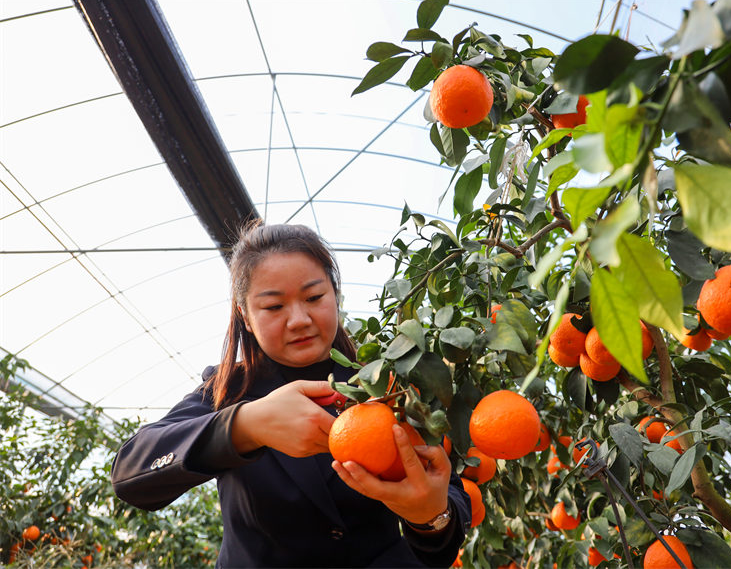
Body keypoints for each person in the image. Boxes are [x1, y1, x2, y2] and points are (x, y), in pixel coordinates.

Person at [110, 222, 469, 568]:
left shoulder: (387, 383)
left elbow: (448, 504)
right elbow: (132, 470)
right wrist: (245, 426)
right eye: (274, 306)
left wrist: (431, 518)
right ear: (246, 317)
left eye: (314, 297)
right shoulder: (230, 390)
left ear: (335, 295)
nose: (298, 319)